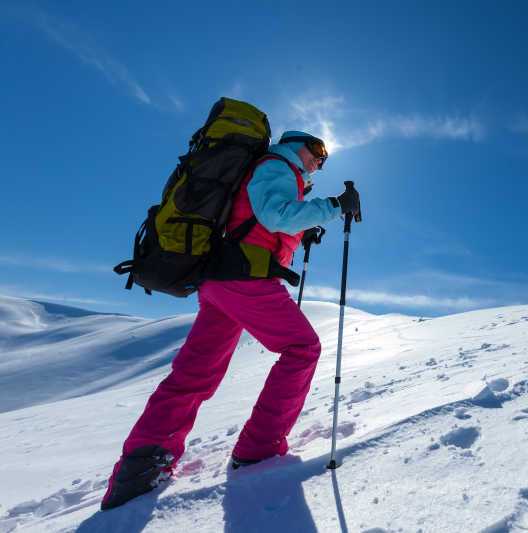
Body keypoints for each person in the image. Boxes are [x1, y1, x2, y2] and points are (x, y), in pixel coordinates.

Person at [101, 131, 361, 510]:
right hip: (245, 280)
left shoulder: (268, 170)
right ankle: (259, 449)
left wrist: (303, 230)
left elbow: (264, 219)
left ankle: (141, 465)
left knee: (194, 373)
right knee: (303, 348)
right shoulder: (278, 165)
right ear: (296, 144)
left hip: (222, 283)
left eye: (324, 157)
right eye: (317, 151)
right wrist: (335, 205)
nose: (320, 161)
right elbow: (276, 215)